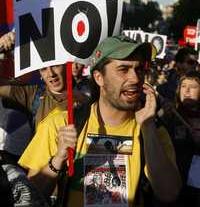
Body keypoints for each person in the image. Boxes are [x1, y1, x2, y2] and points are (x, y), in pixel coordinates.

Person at [18, 35, 182, 206]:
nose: (135, 79)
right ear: (99, 78)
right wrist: (57, 160)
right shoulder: (60, 124)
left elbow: (169, 194)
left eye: (139, 69)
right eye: (123, 69)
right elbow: (29, 196)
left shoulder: (153, 130)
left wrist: (148, 127)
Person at [161, 71, 200, 207]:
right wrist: (164, 116)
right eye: (183, 86)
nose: (187, 91)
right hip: (174, 182)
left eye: (193, 87)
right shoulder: (172, 114)